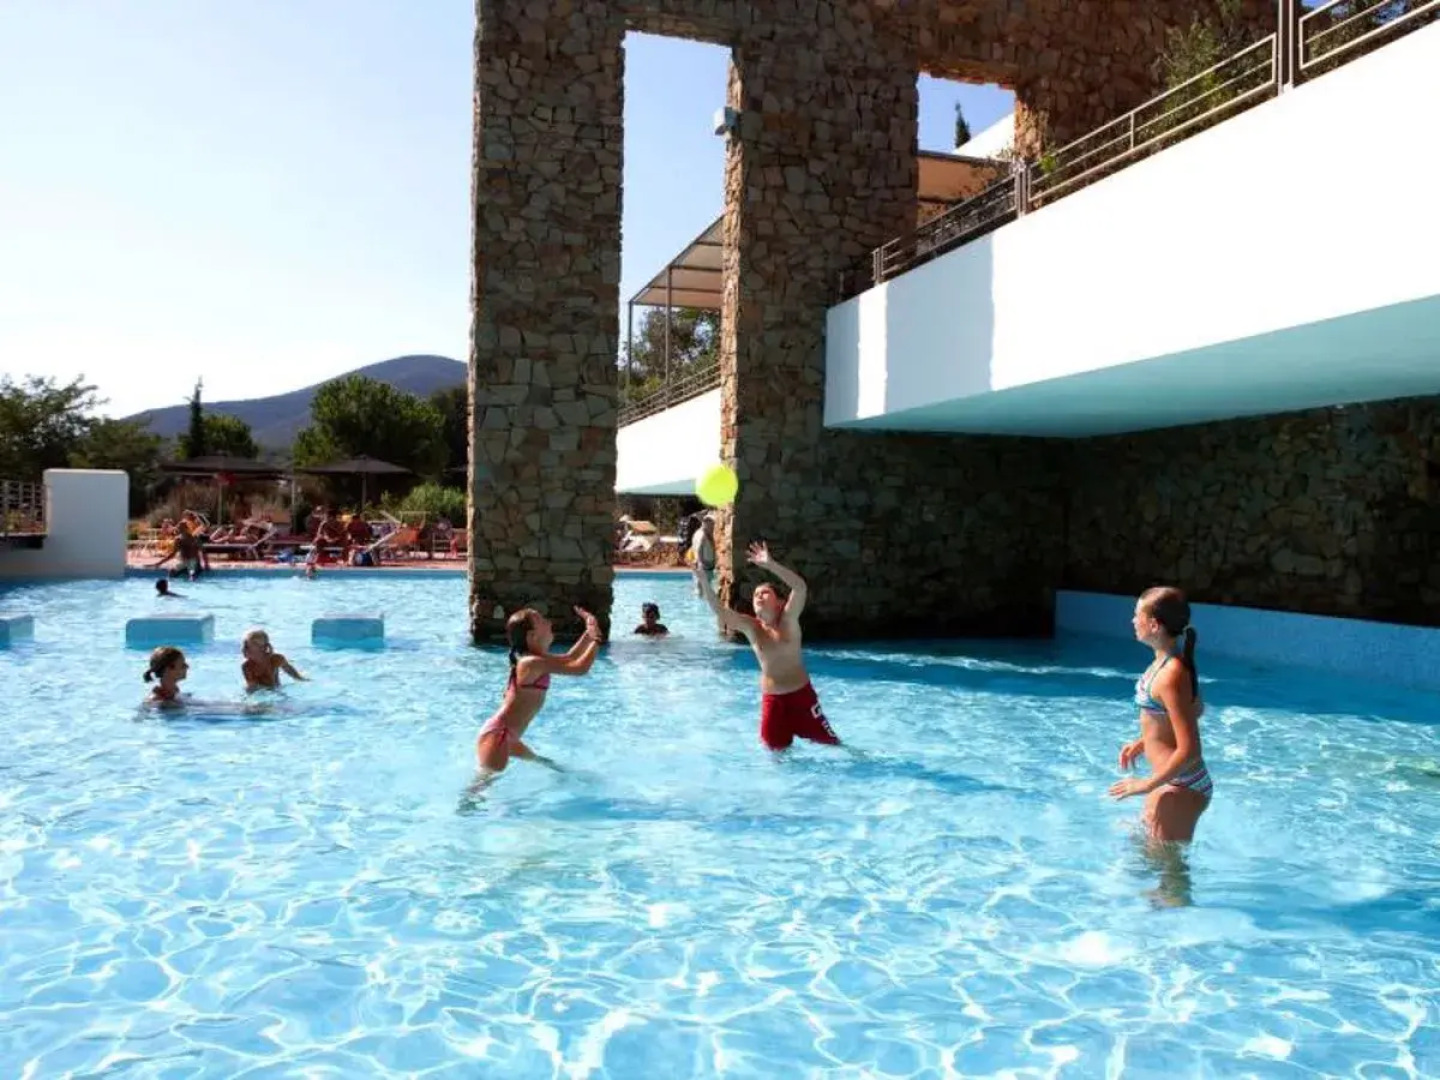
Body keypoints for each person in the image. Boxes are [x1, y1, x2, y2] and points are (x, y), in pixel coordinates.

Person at [694, 540, 841, 751]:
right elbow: (721, 612)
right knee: (774, 756)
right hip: (772, 702)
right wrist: (704, 582)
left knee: (833, 746)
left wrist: (770, 564)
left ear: (780, 602)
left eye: (765, 593)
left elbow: (800, 587)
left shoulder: (788, 620)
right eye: (755, 595)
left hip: (801, 698)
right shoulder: (752, 628)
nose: (758, 596)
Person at [1110, 586, 1212, 843]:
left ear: (1154, 625)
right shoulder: (1163, 663)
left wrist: (1145, 785)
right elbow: (1192, 711)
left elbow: (1190, 751)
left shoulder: (1171, 674)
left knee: (1169, 874)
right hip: (1173, 781)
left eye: (1137, 615)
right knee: (1144, 854)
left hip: (1181, 784)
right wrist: (1145, 741)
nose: (1133, 621)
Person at [476, 606, 603, 774]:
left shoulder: (535, 660)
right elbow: (580, 668)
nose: (549, 621)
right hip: (499, 736)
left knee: (550, 766)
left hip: (508, 736)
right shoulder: (530, 663)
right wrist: (596, 640)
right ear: (532, 636)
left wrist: (589, 630)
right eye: (542, 620)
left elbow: (569, 658)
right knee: (480, 786)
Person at [241, 628, 306, 691]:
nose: (244, 649)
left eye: (248, 647)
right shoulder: (247, 666)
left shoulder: (276, 659)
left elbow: (289, 669)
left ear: (263, 648)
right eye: (245, 646)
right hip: (260, 692)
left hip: (276, 689)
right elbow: (252, 686)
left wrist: (300, 679)